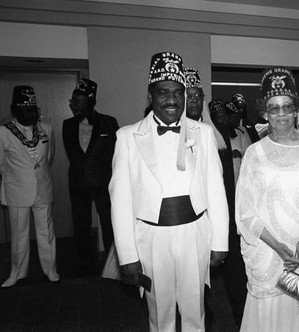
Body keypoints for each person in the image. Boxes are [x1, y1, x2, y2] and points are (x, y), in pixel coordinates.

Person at [109, 52, 229, 332]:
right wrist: (127, 256)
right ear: (150, 96)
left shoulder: (203, 133)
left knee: (194, 311)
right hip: (151, 238)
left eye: (178, 92)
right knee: (159, 314)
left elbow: (216, 190)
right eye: (163, 92)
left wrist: (220, 242)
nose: (172, 100)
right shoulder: (127, 137)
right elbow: (121, 202)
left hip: (195, 233)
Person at [235, 67, 299, 332]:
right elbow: (245, 211)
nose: (281, 114)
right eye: (274, 108)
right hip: (268, 253)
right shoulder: (254, 154)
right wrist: (277, 247)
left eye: (286, 107)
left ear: (296, 110)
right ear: (264, 113)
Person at [185, 68, 247, 328]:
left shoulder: (218, 129)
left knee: (235, 276)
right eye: (190, 96)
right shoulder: (173, 133)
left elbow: (228, 181)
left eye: (199, 95)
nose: (196, 101)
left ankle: (243, 320)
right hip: (192, 219)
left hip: (225, 215)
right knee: (196, 280)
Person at [0, 86, 59, 288]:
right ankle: (17, 273)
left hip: (43, 188)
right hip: (17, 190)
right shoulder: (3, 133)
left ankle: (50, 270)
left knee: (46, 233)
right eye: (27, 110)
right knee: (19, 235)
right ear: (15, 111)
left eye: (35, 109)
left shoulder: (47, 129)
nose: (33, 114)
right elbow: (1, 164)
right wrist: (19, 178)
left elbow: (49, 158)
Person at [63, 79, 119, 275]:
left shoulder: (108, 122)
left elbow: (116, 153)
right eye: (72, 100)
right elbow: (73, 154)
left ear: (90, 99)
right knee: (81, 226)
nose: (73, 103)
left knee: (109, 224)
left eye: (77, 100)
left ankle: (114, 267)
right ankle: (85, 266)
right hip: (78, 183)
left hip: (103, 182)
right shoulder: (67, 125)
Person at [226, 101, 252, 184]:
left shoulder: (242, 131)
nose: (237, 119)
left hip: (240, 175)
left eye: (238, 116)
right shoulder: (218, 132)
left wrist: (240, 154)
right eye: (234, 117)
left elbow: (250, 153)